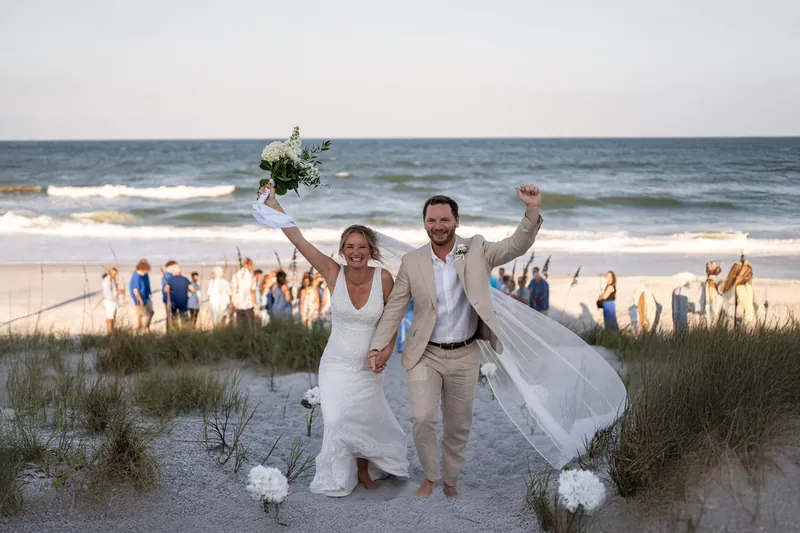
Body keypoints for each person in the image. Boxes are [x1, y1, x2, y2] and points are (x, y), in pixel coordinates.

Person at [369, 186, 543, 497]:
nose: (438, 225)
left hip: (466, 354)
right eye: (432, 220)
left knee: (458, 424)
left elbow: (516, 246)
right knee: (422, 418)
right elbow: (395, 305)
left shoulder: (477, 249)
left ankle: (450, 481)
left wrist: (531, 210)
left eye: (444, 219)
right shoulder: (412, 261)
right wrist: (378, 345)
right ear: (424, 224)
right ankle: (430, 477)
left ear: (456, 221)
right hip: (425, 353)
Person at [258, 182, 409, 497]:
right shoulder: (331, 271)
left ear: (371, 250)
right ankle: (343, 472)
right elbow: (298, 239)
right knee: (338, 418)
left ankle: (366, 471)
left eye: (362, 247)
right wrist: (273, 203)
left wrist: (385, 353)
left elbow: (392, 320)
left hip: (370, 363)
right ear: (343, 250)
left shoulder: (384, 278)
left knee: (365, 417)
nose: (355, 252)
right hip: (335, 363)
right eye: (350, 247)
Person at [164, 263, 195, 327]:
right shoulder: (185, 279)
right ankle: (185, 332)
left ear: (173, 272)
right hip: (183, 302)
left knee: (172, 318)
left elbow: (166, 290)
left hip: (173, 302)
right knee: (184, 318)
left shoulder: (170, 280)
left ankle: (172, 332)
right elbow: (193, 289)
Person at [129, 259, 154, 333]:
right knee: (146, 314)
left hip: (145, 296)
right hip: (139, 299)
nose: (146, 273)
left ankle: (144, 328)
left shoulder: (143, 275)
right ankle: (144, 329)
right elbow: (135, 290)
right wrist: (141, 301)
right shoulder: (136, 277)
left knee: (147, 313)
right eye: (145, 271)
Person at [231, 258, 257, 327]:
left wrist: (233, 302)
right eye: (251, 265)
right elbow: (252, 291)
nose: (252, 267)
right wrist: (255, 305)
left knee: (239, 324)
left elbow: (233, 288)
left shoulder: (236, 274)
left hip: (238, 303)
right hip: (248, 304)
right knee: (249, 325)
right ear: (247, 265)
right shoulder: (251, 276)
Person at [101, 267, 124, 334]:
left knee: (113, 316)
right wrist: (117, 292)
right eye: (114, 273)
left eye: (116, 274)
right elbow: (107, 292)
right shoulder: (106, 280)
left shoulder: (113, 279)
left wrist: (117, 291)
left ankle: (112, 330)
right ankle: (109, 332)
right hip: (109, 301)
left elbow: (113, 290)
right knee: (109, 317)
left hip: (114, 300)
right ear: (110, 272)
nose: (115, 275)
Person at [161, 260, 178, 330]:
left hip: (172, 299)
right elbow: (166, 290)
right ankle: (169, 333)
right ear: (170, 267)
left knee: (172, 316)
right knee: (170, 317)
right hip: (169, 300)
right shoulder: (167, 276)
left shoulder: (171, 275)